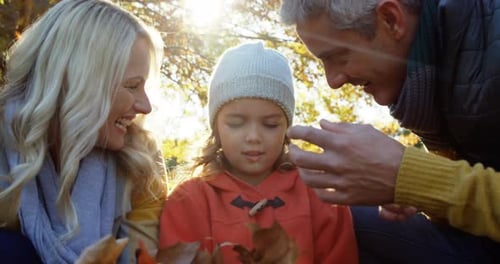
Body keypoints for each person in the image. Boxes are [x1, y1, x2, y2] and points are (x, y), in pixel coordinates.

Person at [279, 0, 500, 263]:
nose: (333, 81)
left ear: (391, 20)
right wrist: (420, 196)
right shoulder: (426, 88)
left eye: (339, 56)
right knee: (340, 223)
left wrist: (413, 178)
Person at [158, 42, 358, 263]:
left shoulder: (320, 195)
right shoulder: (189, 200)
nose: (253, 136)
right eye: (235, 123)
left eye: (270, 124)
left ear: (286, 129)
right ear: (216, 127)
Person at [0, 0, 166, 263]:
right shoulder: (5, 144)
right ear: (80, 82)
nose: (145, 107)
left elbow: (144, 257)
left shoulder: (139, 160)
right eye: (132, 86)